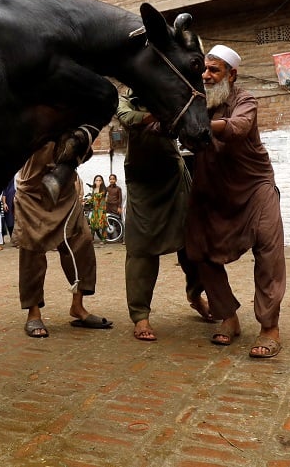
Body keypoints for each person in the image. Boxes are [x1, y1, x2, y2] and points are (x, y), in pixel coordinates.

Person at [184, 44, 287, 359]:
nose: (207, 75)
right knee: (199, 249)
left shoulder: (245, 100)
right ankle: (227, 316)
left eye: (214, 70)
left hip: (256, 187)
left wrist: (199, 126)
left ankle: (269, 328)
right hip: (214, 192)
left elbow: (238, 128)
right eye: (205, 69)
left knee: (269, 251)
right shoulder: (194, 104)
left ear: (232, 74)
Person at [117, 91, 212, 342]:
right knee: (140, 249)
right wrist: (157, 116)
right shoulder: (125, 98)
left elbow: (184, 123)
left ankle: (195, 296)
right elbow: (126, 117)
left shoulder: (166, 94)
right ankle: (140, 316)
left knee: (191, 243)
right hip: (142, 182)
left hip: (173, 177)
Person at [13, 141, 113, 338]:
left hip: (65, 192)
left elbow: (86, 148)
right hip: (32, 192)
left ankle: (78, 307)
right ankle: (34, 313)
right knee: (32, 252)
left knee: (83, 241)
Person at [87, 174, 108, 243]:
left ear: (102, 181)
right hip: (95, 209)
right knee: (93, 224)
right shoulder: (94, 189)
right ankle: (92, 238)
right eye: (96, 180)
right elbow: (93, 198)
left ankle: (103, 239)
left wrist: (98, 187)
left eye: (99, 180)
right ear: (94, 181)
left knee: (103, 225)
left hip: (101, 210)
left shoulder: (104, 189)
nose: (98, 181)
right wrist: (86, 201)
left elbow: (98, 196)